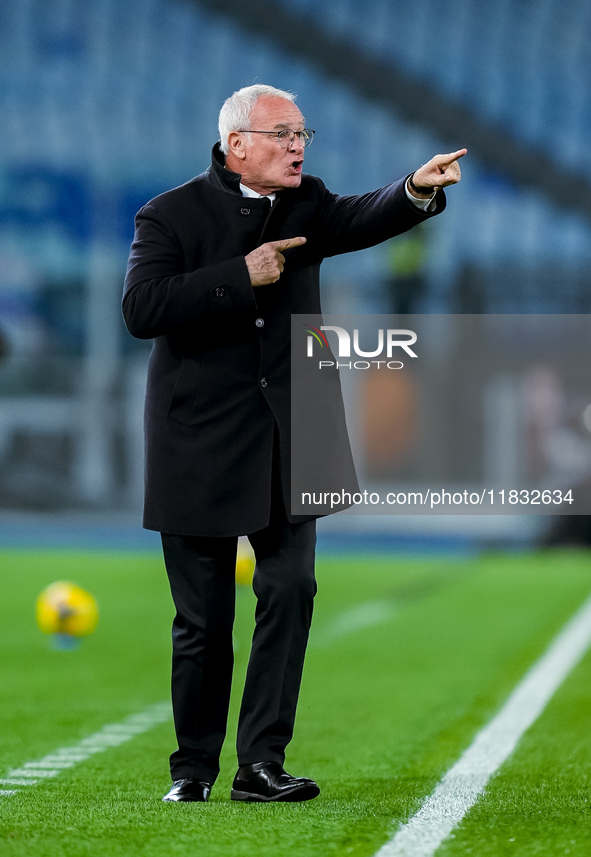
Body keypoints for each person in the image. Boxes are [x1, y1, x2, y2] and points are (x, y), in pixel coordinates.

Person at [122, 83, 465, 803]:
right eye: (282, 132)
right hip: (199, 440)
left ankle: (260, 766)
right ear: (235, 144)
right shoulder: (168, 214)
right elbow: (142, 308)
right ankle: (192, 770)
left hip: (291, 433)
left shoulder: (308, 203)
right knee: (203, 620)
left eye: (303, 132)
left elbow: (361, 216)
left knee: (289, 588)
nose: (298, 144)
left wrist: (413, 190)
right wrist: (236, 278)